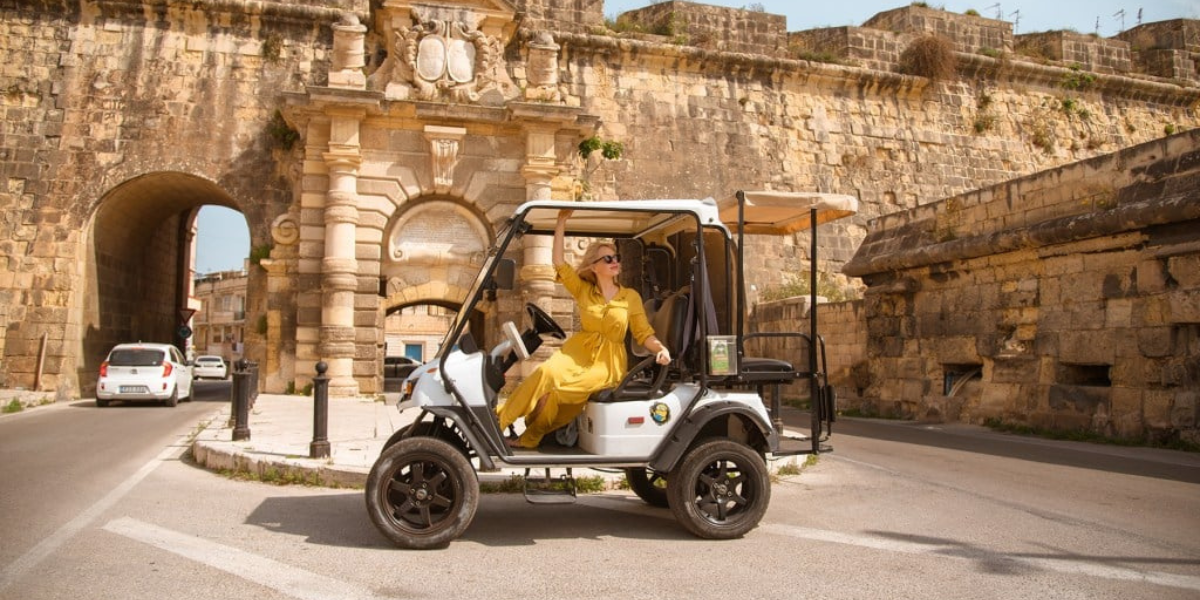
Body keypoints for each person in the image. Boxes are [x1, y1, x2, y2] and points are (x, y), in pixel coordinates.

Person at [496, 210, 672, 448]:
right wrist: (560, 222)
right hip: (577, 352)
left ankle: (530, 437)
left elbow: (643, 333)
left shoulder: (630, 297)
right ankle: (497, 425)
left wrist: (660, 349)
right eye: (608, 259)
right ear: (594, 266)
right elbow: (559, 262)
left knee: (557, 392)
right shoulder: (584, 291)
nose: (615, 262)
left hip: (607, 364)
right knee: (544, 373)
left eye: (616, 257)